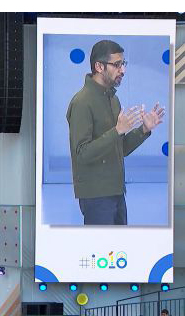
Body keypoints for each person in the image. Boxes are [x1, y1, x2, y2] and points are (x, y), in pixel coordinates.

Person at [66, 40, 165, 225]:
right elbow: (82, 154)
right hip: (96, 196)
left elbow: (120, 149)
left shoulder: (113, 100)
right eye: (117, 65)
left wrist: (144, 130)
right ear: (99, 66)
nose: (123, 70)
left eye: (123, 64)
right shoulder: (81, 103)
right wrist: (117, 130)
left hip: (117, 193)